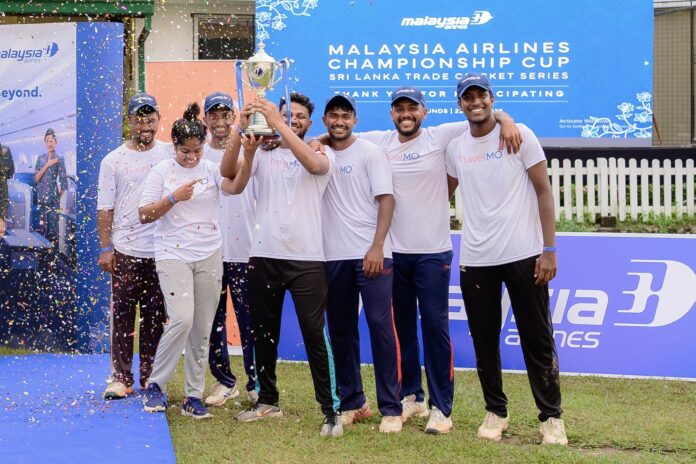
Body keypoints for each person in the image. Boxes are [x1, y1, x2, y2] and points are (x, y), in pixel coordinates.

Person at [317, 86, 521, 434]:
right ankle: (413, 395)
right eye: (399, 109)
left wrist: (507, 119)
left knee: (435, 327)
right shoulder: (380, 141)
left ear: (424, 112)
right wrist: (316, 140)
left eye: (412, 108)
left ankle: (442, 408)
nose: (406, 115)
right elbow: (340, 132)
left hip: (432, 251)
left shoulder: (439, 136)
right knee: (403, 330)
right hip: (394, 253)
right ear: (391, 114)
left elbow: (481, 115)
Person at [445, 73, 567, 446]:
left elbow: (543, 192)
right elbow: (440, 196)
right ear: (460, 104)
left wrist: (549, 249)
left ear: (492, 98)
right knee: (484, 340)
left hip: (524, 254)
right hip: (476, 258)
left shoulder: (519, 134)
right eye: (468, 97)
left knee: (537, 338)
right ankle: (495, 411)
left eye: (481, 95)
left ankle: (551, 417)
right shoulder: (455, 147)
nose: (475, 102)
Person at [220, 92, 343, 437]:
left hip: (307, 259)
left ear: (309, 122)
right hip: (264, 255)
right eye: (288, 115)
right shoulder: (263, 153)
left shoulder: (321, 152)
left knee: (314, 334)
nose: (294, 120)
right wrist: (241, 133)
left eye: (300, 116)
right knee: (263, 333)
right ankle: (267, 401)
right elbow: (229, 177)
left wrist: (277, 123)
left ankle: (331, 410)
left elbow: (315, 167)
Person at [139, 103, 240, 420]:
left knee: (202, 327)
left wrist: (246, 152)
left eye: (197, 151)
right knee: (182, 318)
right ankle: (156, 384)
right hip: (173, 253)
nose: (192, 157)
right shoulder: (162, 171)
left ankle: (193, 396)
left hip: (209, 253)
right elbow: (144, 214)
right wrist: (173, 198)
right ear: (175, 146)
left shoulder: (211, 168)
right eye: (186, 152)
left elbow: (234, 186)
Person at [320, 94, 402, 433]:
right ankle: (354, 402)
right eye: (333, 115)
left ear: (355, 120)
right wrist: (318, 141)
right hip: (333, 255)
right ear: (325, 120)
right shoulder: (319, 153)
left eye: (345, 116)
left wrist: (377, 246)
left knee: (380, 327)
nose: (339, 121)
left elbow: (387, 199)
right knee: (340, 330)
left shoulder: (370, 152)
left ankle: (391, 408)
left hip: (372, 254)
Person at [97, 93, 169, 399]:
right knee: (123, 316)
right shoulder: (112, 160)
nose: (145, 126)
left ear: (158, 120)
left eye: (150, 119)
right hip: (125, 250)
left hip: (162, 249)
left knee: (155, 317)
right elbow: (105, 208)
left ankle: (151, 377)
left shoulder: (169, 153)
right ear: (129, 122)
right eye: (139, 120)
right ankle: (120, 377)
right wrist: (105, 248)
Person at [199, 92, 258, 406]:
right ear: (205, 119)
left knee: (250, 322)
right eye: (214, 116)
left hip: (245, 250)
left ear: (234, 118)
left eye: (225, 115)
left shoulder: (252, 147)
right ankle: (224, 381)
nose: (220, 122)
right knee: (213, 322)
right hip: (209, 253)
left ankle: (256, 383)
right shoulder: (197, 154)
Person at [34, 128, 67, 244]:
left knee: (53, 230)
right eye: (47, 141)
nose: (49, 144)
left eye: (51, 141)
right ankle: (43, 253)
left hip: (53, 199)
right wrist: (47, 165)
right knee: (41, 228)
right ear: (45, 142)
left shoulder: (59, 159)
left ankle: (53, 253)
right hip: (41, 198)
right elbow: (36, 178)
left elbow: (63, 183)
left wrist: (57, 197)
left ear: (56, 142)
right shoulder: (40, 158)